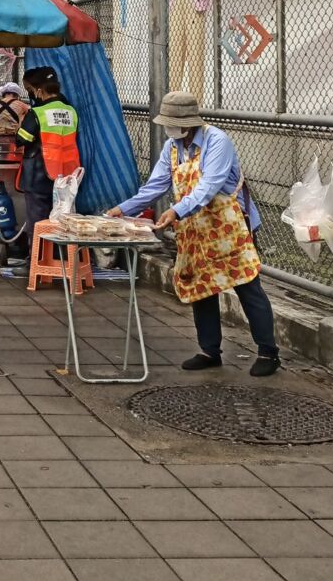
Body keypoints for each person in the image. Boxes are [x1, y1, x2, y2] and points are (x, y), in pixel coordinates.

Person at [109, 90, 280, 376]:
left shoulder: (217, 141)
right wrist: (122, 210)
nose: (169, 129)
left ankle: (268, 352)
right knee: (200, 286)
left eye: (173, 123)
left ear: (188, 122)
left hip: (228, 227)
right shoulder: (172, 147)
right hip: (194, 228)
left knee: (247, 285)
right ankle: (209, 350)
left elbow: (209, 186)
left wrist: (175, 211)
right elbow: (156, 185)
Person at [15, 67, 80, 233]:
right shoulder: (71, 111)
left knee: (38, 224)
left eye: (30, 90)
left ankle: (37, 250)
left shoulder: (38, 112)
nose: (30, 94)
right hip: (66, 176)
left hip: (39, 174)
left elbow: (22, 139)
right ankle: (59, 250)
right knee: (60, 223)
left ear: (38, 90)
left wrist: (22, 120)